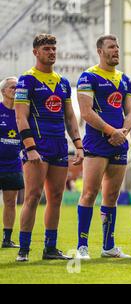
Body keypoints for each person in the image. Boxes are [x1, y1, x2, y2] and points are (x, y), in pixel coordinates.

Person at [14, 34, 84, 262]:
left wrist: (78, 145)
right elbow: (20, 117)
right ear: (36, 52)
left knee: (55, 197)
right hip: (37, 146)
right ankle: (23, 249)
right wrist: (30, 147)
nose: (52, 52)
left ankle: (50, 248)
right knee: (33, 196)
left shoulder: (63, 82)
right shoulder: (27, 80)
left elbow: (70, 116)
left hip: (59, 146)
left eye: (54, 48)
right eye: (47, 49)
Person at [75, 34, 131, 259]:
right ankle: (82, 247)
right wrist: (113, 132)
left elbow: (130, 112)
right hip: (97, 142)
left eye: (117, 46)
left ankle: (108, 247)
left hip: (119, 142)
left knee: (111, 197)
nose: (116, 50)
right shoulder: (88, 76)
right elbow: (86, 112)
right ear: (100, 51)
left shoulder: (125, 79)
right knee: (90, 193)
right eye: (111, 47)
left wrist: (124, 133)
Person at [0, 77, 23, 248]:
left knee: (10, 202)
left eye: (18, 87)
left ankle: (7, 239)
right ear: (3, 91)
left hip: (13, 164)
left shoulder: (23, 113)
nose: (16, 89)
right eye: (12, 87)